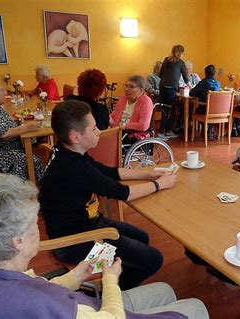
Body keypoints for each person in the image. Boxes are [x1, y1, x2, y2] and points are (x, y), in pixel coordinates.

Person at [0, 172, 209, 318]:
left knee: (164, 289)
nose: (38, 227)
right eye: (32, 224)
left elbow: (32, 292)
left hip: (75, 303)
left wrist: (74, 277)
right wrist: (110, 280)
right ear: (18, 241)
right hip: (96, 313)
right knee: (195, 307)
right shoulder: (38, 302)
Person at [40, 100, 176, 290]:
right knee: (154, 259)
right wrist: (159, 184)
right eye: (94, 128)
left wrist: (148, 173)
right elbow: (123, 193)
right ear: (76, 137)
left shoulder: (67, 151)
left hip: (87, 225)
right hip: (75, 242)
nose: (99, 132)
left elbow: (108, 172)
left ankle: (117, 274)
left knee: (142, 237)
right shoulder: (73, 167)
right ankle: (114, 291)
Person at [158, 45, 191, 139]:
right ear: (181, 53)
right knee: (172, 110)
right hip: (171, 88)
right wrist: (191, 88)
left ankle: (165, 130)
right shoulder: (180, 62)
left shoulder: (166, 60)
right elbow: (186, 79)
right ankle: (165, 132)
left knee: (165, 109)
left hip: (162, 87)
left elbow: (160, 75)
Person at [109, 75, 153, 144]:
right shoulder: (124, 97)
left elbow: (143, 125)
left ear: (141, 90)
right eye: (126, 86)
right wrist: (108, 117)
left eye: (131, 87)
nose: (126, 89)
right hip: (118, 129)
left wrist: (124, 125)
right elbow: (116, 112)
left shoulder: (146, 101)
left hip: (132, 135)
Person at [189, 64, 221, 140]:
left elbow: (191, 93)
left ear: (205, 73)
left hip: (204, 110)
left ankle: (203, 128)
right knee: (209, 108)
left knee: (194, 109)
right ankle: (210, 127)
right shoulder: (218, 84)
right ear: (215, 73)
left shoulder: (202, 83)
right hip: (217, 111)